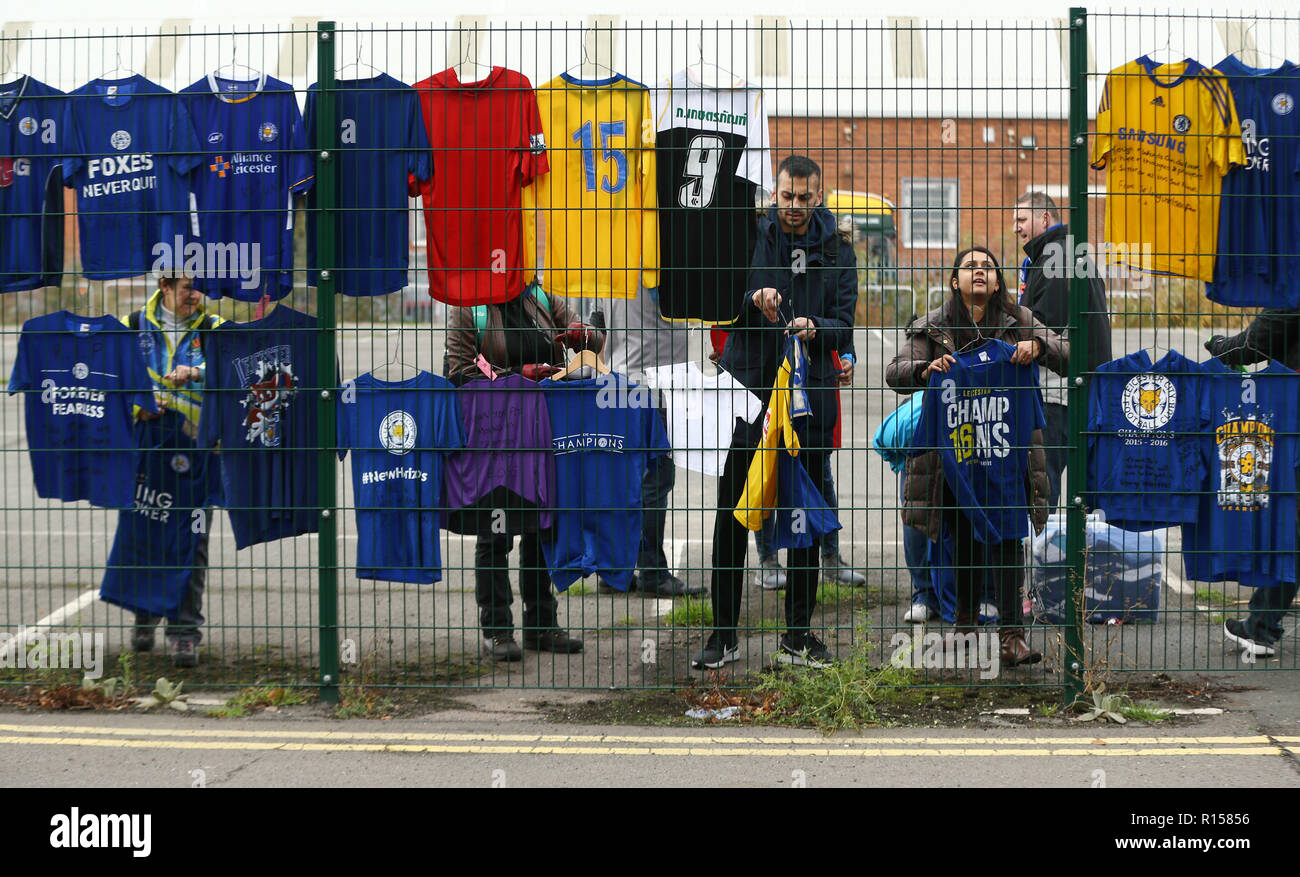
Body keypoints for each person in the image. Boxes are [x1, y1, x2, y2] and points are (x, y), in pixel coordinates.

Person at [692, 154, 857, 671]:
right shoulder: (751, 234)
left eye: (805, 199)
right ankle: (723, 634)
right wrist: (752, 298)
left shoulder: (838, 252)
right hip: (747, 392)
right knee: (731, 514)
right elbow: (717, 300)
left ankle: (798, 634)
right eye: (786, 197)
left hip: (807, 396)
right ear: (775, 193)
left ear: (820, 195)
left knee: (804, 516)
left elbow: (845, 325)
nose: (794, 207)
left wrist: (815, 328)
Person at [885, 246, 1068, 666]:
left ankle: (1011, 636)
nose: (980, 272)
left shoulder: (1018, 321)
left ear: (999, 280)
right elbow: (895, 371)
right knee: (962, 537)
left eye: (987, 267)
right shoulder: (934, 326)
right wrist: (924, 370)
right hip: (953, 453)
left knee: (1007, 536)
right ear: (955, 281)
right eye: (970, 267)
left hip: (1006, 450)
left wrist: (1037, 346)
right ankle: (965, 629)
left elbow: (1067, 350)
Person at [444, 284, 603, 661]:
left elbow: (593, 346)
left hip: (541, 431)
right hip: (493, 435)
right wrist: (517, 375)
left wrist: (584, 335)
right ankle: (497, 629)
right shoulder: (473, 306)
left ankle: (542, 624)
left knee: (540, 525)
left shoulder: (542, 299)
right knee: (495, 530)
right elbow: (459, 372)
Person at [123, 276, 223, 668]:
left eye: (201, 288)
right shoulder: (134, 325)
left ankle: (184, 632)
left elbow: (234, 375)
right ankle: (144, 616)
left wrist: (195, 374)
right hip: (147, 447)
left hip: (199, 450)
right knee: (146, 533)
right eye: (187, 287)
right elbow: (119, 381)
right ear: (164, 286)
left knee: (193, 542)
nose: (196, 295)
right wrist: (139, 408)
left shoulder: (214, 330)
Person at [1205, 312, 1300, 656]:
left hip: (1293, 408)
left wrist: (1219, 347)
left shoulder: (1291, 278)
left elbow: (1254, 344)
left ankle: (1261, 628)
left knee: (1290, 527)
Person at [1013, 191, 1112, 508]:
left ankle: (1046, 555)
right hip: (1080, 389)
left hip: (1058, 391)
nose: (1016, 227)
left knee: (1045, 485)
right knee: (1082, 488)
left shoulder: (1056, 256)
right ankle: (1079, 553)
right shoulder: (1066, 251)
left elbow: (1044, 327)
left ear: (1044, 219)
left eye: (1022, 219)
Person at [872, 391, 938, 621]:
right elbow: (898, 370)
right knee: (916, 513)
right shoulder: (908, 424)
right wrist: (923, 370)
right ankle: (925, 593)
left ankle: (978, 595)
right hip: (923, 428)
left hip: (965, 410)